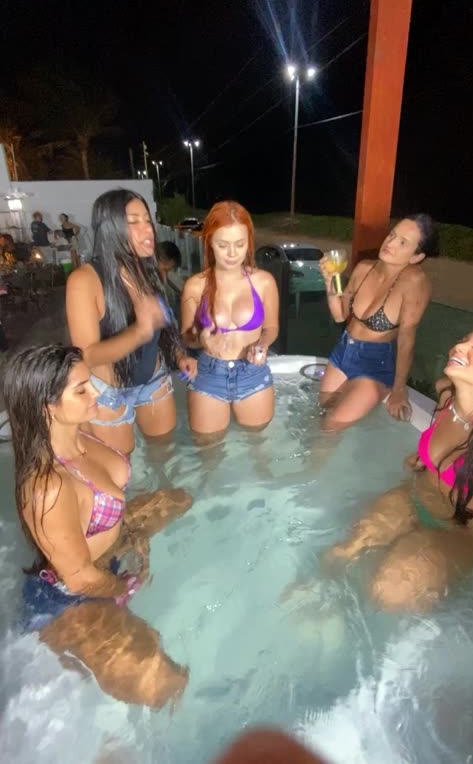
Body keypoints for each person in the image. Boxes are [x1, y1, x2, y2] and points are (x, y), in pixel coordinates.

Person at [4, 344, 192, 707]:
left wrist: (131, 536)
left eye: (89, 381)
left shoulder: (79, 433)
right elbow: (79, 579)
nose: (96, 392)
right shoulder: (48, 487)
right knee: (166, 684)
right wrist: (126, 585)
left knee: (179, 499)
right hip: (69, 598)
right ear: (47, 406)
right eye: (81, 390)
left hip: (107, 553)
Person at [328, 329, 473, 612]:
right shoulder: (447, 396)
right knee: (343, 551)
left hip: (459, 532)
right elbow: (439, 444)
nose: (460, 347)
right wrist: (424, 457)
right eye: (463, 340)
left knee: (390, 589)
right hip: (413, 496)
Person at [66, 189, 197, 454]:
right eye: (134, 222)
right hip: (108, 392)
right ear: (110, 228)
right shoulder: (84, 280)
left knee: (164, 455)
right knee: (119, 467)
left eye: (147, 220)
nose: (147, 229)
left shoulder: (147, 270)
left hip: (154, 381)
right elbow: (87, 355)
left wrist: (179, 355)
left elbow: (162, 327)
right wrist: (139, 331)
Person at [319, 214, 438, 428]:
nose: (390, 243)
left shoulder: (414, 282)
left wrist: (399, 389)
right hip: (342, 351)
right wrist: (330, 281)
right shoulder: (364, 268)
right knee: (322, 412)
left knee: (331, 424)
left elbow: (406, 339)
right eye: (392, 234)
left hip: (375, 364)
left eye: (403, 242)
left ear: (416, 256)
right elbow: (340, 315)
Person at [181, 200, 279, 436]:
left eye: (240, 244)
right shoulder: (195, 286)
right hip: (209, 373)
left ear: (249, 242)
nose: (233, 253)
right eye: (223, 245)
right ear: (209, 242)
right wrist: (201, 340)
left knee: (259, 446)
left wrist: (262, 343)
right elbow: (185, 336)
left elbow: (272, 327)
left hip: (252, 372)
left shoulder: (264, 281)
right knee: (208, 449)